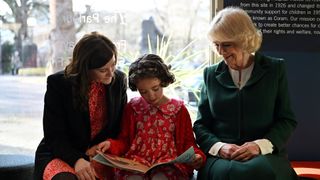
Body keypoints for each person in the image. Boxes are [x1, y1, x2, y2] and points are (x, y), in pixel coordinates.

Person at [193, 7, 298, 180]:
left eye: (226, 45)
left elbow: (287, 119)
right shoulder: (210, 74)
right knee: (222, 174)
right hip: (221, 156)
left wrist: (259, 146)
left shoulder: (274, 69)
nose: (220, 52)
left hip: (264, 154)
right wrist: (219, 147)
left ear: (244, 40)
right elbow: (201, 125)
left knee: (259, 171)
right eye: (216, 45)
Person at [34, 32, 128, 180]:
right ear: (85, 69)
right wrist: (77, 160)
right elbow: (54, 135)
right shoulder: (59, 84)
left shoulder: (119, 81)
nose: (111, 73)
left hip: (99, 155)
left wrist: (108, 144)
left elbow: (119, 127)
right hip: (62, 153)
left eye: (113, 65)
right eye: (103, 70)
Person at [96, 54, 206, 179]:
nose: (151, 96)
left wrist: (197, 156)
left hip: (170, 165)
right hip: (136, 162)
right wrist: (110, 144)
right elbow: (124, 140)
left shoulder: (179, 110)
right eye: (143, 92)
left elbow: (188, 143)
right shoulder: (132, 108)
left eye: (155, 88)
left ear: (163, 81)